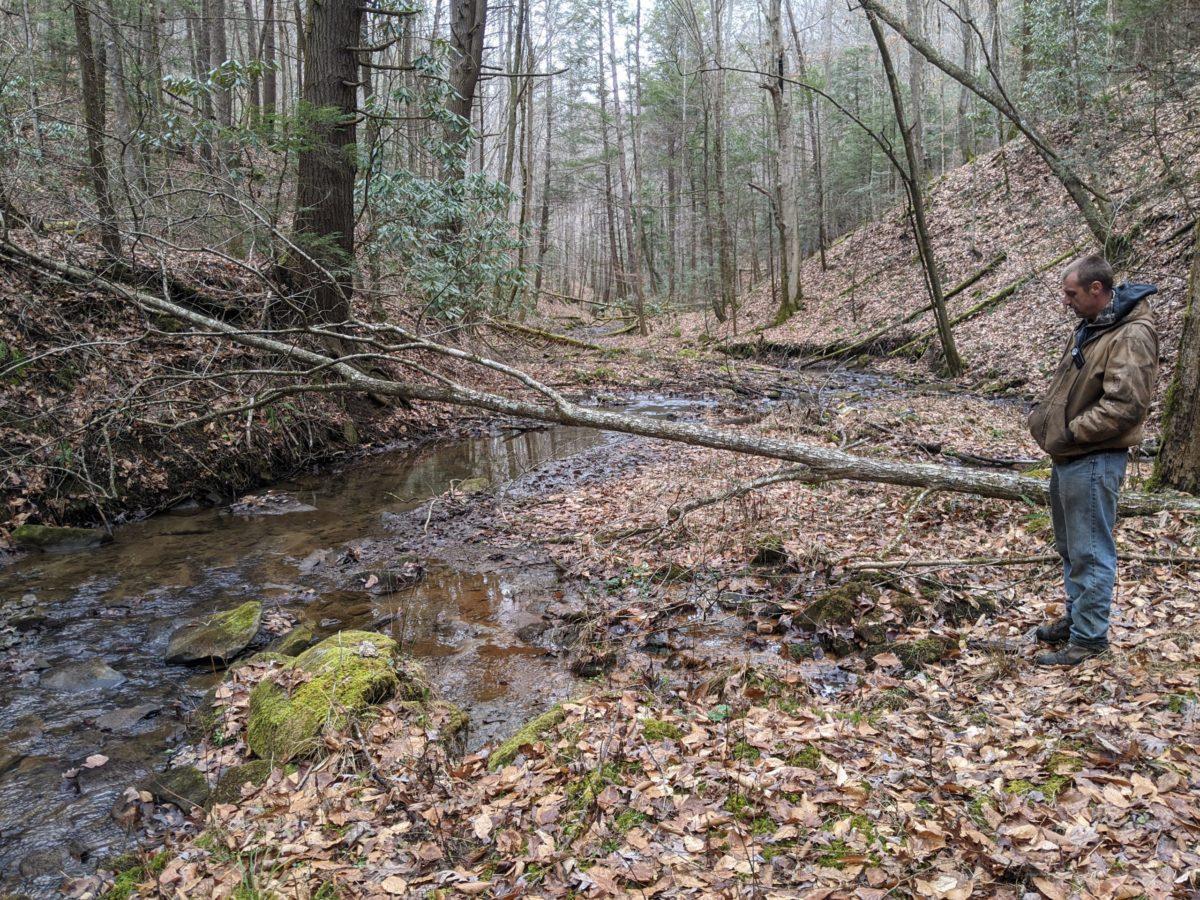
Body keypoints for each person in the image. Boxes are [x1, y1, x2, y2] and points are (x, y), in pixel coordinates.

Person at [1026, 255, 1158, 666]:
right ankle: (1078, 619)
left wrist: (1071, 432)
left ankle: (1089, 641)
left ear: (1097, 290)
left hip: (1093, 457)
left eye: (1072, 293)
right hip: (1071, 456)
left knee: (1091, 550)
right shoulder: (1097, 325)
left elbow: (1125, 406)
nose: (1066, 301)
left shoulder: (1131, 336)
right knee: (1071, 547)